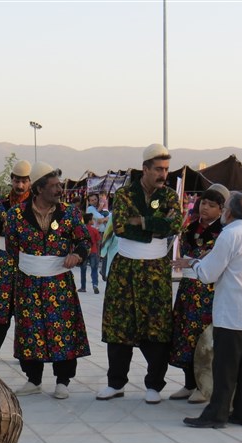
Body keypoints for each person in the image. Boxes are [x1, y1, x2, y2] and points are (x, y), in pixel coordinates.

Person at [174, 192, 242, 428]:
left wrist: (194, 263)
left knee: (225, 367)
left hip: (233, 312)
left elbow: (208, 274)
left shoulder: (229, 235)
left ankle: (216, 414)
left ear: (229, 212)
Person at [98, 144, 183, 403]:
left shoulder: (169, 196)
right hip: (126, 267)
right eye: (158, 169)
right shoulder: (124, 195)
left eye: (166, 169)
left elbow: (176, 225)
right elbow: (122, 228)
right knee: (119, 326)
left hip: (156, 269)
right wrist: (157, 225)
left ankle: (154, 385)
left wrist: (143, 221)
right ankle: (116, 383)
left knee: (157, 327)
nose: (163, 174)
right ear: (145, 169)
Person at [5, 162, 91, 398]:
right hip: (28, 283)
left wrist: (77, 255)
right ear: (39, 189)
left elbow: (84, 241)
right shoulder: (16, 215)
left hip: (59, 282)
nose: (59, 189)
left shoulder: (70, 213)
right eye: (53, 186)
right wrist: (32, 265)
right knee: (30, 330)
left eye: (59, 185)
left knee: (62, 330)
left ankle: (62, 381)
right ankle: (33, 379)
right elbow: (12, 248)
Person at [169, 185, 229, 403]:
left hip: (208, 291)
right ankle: (189, 383)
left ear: (221, 209)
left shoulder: (223, 232)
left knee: (204, 338)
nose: (205, 208)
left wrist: (196, 261)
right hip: (187, 289)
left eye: (211, 205)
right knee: (184, 334)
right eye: (203, 203)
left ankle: (204, 386)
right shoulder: (189, 228)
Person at [0, 160, 31, 364]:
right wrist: (10, 228)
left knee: (27, 307)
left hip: (27, 260)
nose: (20, 185)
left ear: (30, 182)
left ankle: (26, 352)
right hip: (4, 260)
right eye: (17, 180)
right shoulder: (1, 203)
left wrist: (9, 227)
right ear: (12, 180)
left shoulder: (35, 204)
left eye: (24, 181)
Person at [78, 213, 101, 294]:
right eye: (92, 219)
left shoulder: (81, 230)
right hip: (94, 251)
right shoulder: (94, 230)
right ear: (89, 221)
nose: (93, 221)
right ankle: (95, 285)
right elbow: (98, 242)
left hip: (84, 252)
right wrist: (98, 252)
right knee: (94, 269)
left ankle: (83, 287)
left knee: (83, 270)